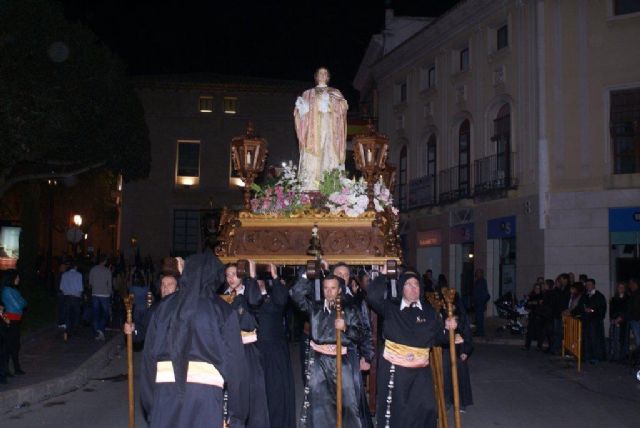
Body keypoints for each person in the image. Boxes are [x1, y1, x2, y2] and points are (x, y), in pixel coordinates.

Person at [140, 251, 248, 428]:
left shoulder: (163, 307)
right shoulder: (223, 311)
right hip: (204, 398)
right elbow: (237, 367)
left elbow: (148, 361)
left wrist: (151, 406)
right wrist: (237, 415)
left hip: (165, 395)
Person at [367, 267, 456, 428]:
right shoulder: (391, 308)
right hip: (395, 369)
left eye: (416, 284)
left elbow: (437, 338)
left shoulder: (429, 312)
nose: (413, 288)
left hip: (420, 370)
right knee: (398, 412)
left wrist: (448, 330)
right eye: (408, 284)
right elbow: (372, 297)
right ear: (401, 288)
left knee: (426, 408)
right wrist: (383, 275)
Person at [291, 273, 365, 428]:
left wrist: (345, 327)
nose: (329, 291)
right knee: (319, 404)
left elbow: (359, 335)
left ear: (339, 290)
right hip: (319, 362)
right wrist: (307, 274)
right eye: (326, 288)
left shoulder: (350, 309)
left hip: (342, 362)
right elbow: (296, 294)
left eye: (333, 288)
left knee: (348, 404)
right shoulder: (315, 308)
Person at [221, 263, 269, 428]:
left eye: (235, 274)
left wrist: (252, 276)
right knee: (230, 392)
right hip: (227, 350)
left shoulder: (250, 295)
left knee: (252, 393)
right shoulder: (222, 296)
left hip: (247, 349)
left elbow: (255, 302)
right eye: (228, 275)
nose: (231, 278)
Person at [332, 262, 374, 428]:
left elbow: (366, 330)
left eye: (346, 274)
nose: (343, 277)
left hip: (350, 356)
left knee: (353, 402)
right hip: (326, 358)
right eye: (339, 274)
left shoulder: (357, 300)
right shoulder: (323, 298)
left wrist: (367, 356)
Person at [254, 265, 296, 428]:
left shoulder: (274, 298)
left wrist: (275, 276)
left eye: (259, 281)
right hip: (256, 351)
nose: (257, 284)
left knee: (276, 394)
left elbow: (282, 298)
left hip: (275, 352)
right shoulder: (249, 299)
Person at [294, 67, 348, 191]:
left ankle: (331, 186)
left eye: (325, 73)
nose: (323, 75)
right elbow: (300, 112)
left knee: (329, 151)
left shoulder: (335, 92)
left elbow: (343, 107)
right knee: (313, 154)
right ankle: (310, 186)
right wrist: (302, 108)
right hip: (313, 129)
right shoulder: (308, 93)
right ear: (316, 76)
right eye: (320, 73)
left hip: (330, 126)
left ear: (328, 77)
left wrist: (331, 103)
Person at [571, 278, 606, 364]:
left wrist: (592, 311)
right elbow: (579, 307)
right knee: (586, 339)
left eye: (590, 285)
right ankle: (587, 356)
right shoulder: (585, 296)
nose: (588, 286)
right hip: (586, 321)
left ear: (594, 285)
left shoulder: (599, 296)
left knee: (595, 339)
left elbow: (601, 309)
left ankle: (596, 357)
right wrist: (572, 312)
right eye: (587, 285)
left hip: (595, 322)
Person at [1, 270, 27, 377]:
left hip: (15, 320)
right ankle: (7, 369)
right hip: (10, 321)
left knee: (15, 345)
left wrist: (21, 302)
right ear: (11, 278)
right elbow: (19, 305)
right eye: (17, 277)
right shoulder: (7, 291)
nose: (18, 279)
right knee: (9, 345)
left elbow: (24, 303)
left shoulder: (13, 290)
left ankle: (15, 368)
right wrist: (21, 301)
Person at [88, 255, 113, 341]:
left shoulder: (93, 270)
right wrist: (110, 293)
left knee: (96, 313)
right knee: (105, 314)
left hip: (95, 294)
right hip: (105, 295)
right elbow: (109, 284)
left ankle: (98, 330)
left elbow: (90, 283)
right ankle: (101, 329)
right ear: (105, 261)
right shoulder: (107, 271)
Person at [60, 260, 84, 342]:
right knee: (76, 315)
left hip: (67, 297)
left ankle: (67, 331)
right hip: (75, 298)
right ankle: (74, 331)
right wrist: (80, 298)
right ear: (76, 267)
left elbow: (62, 288)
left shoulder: (64, 275)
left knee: (68, 315)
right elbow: (80, 289)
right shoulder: (79, 275)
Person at [609, 281, 629, 361]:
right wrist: (613, 319)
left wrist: (620, 318)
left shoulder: (627, 298)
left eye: (622, 287)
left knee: (621, 339)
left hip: (623, 321)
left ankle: (621, 356)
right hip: (614, 320)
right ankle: (613, 355)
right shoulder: (614, 299)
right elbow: (612, 310)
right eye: (619, 287)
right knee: (613, 338)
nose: (620, 289)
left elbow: (626, 310)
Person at [523, 283, 545, 351]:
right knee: (529, 331)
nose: (537, 289)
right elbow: (527, 305)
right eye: (535, 288)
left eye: (538, 288)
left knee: (539, 332)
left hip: (540, 316)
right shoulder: (532, 295)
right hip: (532, 315)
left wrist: (533, 303)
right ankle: (527, 346)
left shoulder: (542, 295)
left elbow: (541, 304)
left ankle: (539, 346)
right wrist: (533, 303)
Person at [472, 269, 489, 337]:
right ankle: (478, 331)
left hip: (480, 303)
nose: (477, 274)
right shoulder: (477, 282)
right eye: (477, 273)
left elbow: (484, 293)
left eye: (478, 273)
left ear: (481, 274)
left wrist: (482, 302)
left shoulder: (482, 282)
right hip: (477, 302)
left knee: (480, 318)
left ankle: (480, 332)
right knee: (477, 318)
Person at [626, 278, 640, 359]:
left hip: (636, 319)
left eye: (631, 283)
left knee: (638, 339)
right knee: (636, 339)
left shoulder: (636, 294)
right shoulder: (633, 294)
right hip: (634, 319)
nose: (630, 285)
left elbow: (635, 308)